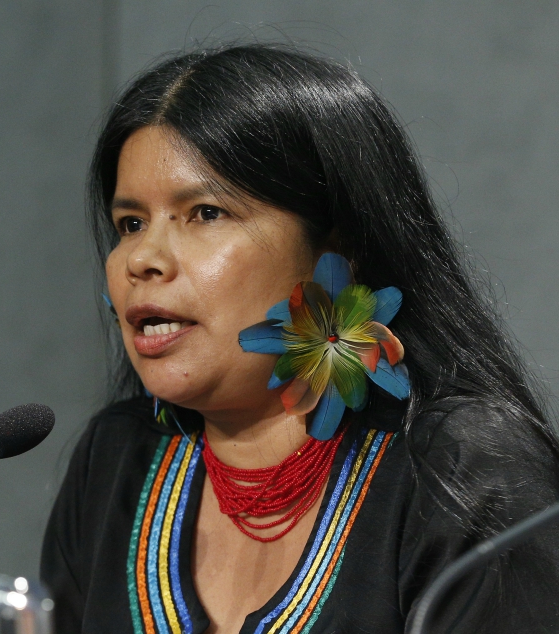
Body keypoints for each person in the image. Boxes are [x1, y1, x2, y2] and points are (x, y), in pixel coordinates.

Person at [41, 44, 559, 633]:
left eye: (206, 213)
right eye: (130, 224)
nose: (143, 259)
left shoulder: (457, 465)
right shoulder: (119, 461)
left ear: (340, 250)